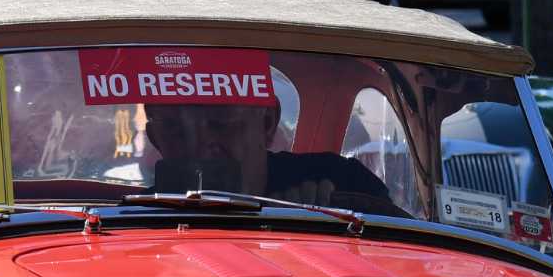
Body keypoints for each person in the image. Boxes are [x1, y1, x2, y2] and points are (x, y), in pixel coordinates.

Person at [145, 101, 392, 208]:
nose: (199, 147)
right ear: (155, 138)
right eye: (176, 131)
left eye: (221, 123)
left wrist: (320, 221)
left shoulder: (345, 184)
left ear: (267, 123)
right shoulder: (131, 215)